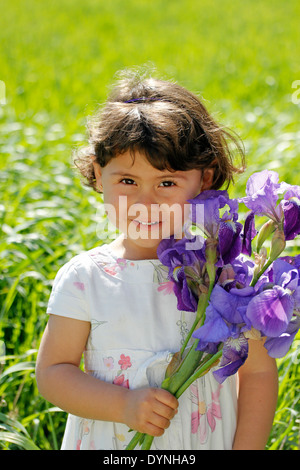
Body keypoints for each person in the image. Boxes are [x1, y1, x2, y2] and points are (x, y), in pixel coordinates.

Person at [36, 69, 278, 450]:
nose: (145, 202)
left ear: (204, 180)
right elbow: (53, 374)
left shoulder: (229, 277)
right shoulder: (86, 277)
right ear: (99, 176)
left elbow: (259, 373)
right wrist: (123, 405)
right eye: (127, 182)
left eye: (167, 183)